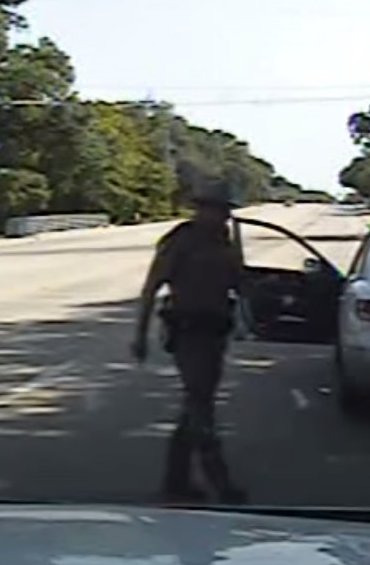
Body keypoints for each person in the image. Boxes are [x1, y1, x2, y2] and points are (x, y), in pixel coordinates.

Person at [131, 178, 249, 505]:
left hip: (214, 331)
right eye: (216, 210)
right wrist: (140, 336)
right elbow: (151, 288)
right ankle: (220, 482)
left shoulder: (224, 241)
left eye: (225, 211)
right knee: (200, 405)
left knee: (196, 405)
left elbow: (237, 281)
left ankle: (176, 480)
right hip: (188, 331)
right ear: (201, 210)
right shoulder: (181, 241)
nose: (222, 216)